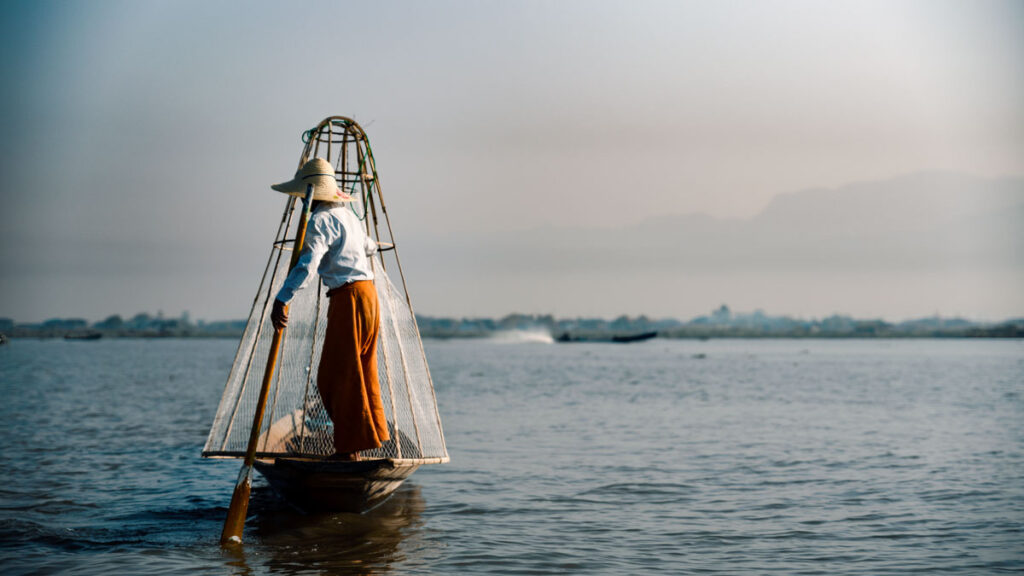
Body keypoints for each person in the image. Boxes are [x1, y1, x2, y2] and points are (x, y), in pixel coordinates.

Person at [269, 157, 389, 461]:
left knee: (336, 375)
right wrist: (374, 245)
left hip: (349, 298)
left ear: (309, 195)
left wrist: (282, 297)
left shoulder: (319, 222)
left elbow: (308, 265)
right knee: (361, 370)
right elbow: (367, 246)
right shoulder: (348, 216)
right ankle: (365, 437)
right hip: (369, 296)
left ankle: (349, 449)